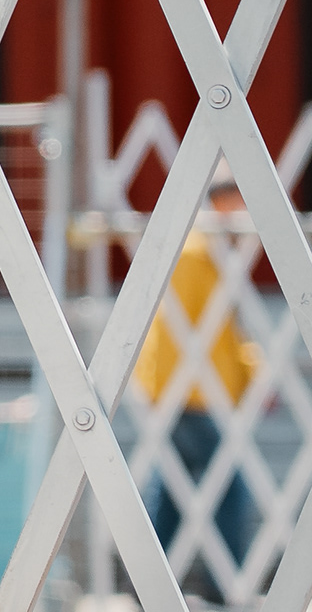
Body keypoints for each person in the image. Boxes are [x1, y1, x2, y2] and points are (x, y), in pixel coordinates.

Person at [136, 166, 261, 593]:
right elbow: (177, 333)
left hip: (187, 393)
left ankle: (151, 585)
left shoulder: (211, 251)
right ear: (223, 202)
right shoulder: (198, 254)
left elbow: (224, 331)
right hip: (191, 396)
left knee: (171, 494)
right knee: (229, 490)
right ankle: (226, 587)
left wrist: (249, 373)